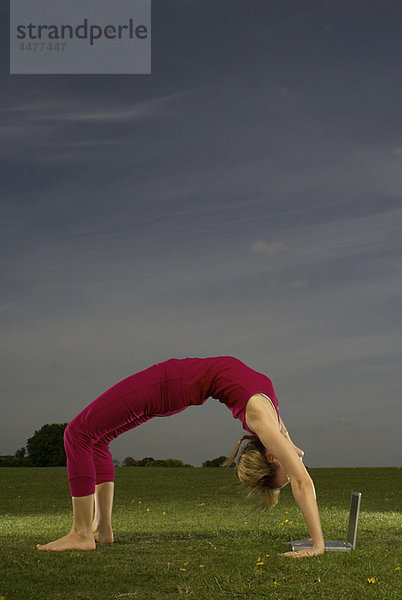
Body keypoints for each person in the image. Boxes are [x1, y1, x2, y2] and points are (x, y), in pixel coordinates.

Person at [37, 356, 325, 557]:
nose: (296, 461)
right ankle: (101, 530)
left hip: (166, 384)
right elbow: (292, 448)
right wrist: (294, 451)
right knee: (98, 441)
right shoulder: (272, 421)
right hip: (171, 389)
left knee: (76, 433)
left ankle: (81, 533)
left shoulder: (261, 419)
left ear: (273, 458)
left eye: (289, 466)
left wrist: (317, 543)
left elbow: (303, 483)